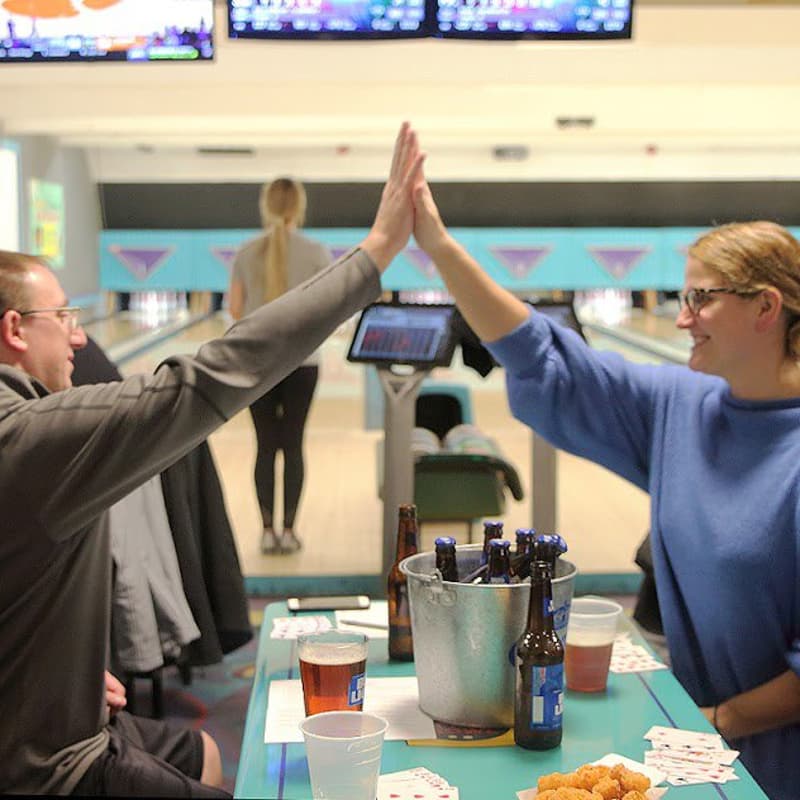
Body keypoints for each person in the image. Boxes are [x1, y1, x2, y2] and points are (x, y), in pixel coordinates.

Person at [0, 121, 424, 797]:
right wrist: (374, 254)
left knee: (202, 751)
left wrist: (53, 670)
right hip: (51, 767)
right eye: (65, 316)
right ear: (16, 330)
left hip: (56, 710)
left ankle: (271, 525)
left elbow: (231, 316)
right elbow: (204, 381)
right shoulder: (29, 441)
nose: (81, 335)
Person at [412, 170, 800, 800]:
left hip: (772, 756)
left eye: (701, 299)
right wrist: (440, 248)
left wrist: (723, 721)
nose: (683, 319)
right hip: (699, 745)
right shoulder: (682, 407)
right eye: (681, 299)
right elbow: (547, 358)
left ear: (766, 307)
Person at [228, 178, 331, 554]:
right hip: (303, 364)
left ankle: (266, 532)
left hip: (257, 365)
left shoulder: (245, 252)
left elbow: (236, 310)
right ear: (299, 206)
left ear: (265, 205)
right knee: (293, 445)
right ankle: (290, 531)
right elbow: (326, 307)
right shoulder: (317, 252)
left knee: (265, 448)